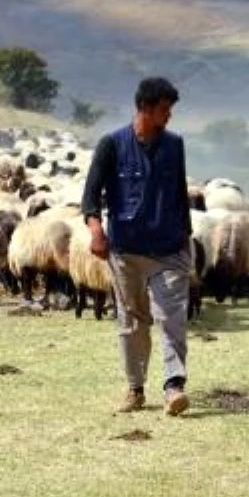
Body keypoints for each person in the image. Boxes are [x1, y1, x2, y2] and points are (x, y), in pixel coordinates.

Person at [81, 77, 194, 416]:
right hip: (126, 250)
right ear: (144, 108)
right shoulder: (112, 145)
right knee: (132, 322)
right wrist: (96, 229)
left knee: (171, 317)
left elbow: (179, 196)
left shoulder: (175, 145)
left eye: (170, 110)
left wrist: (186, 240)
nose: (169, 115)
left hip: (169, 248)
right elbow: (90, 196)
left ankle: (174, 386)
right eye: (164, 109)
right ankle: (135, 388)